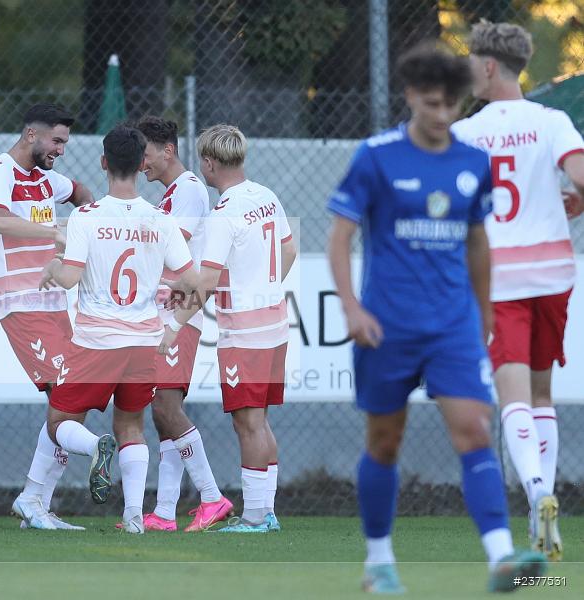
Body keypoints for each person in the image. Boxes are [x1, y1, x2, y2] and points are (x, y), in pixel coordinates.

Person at [326, 43, 546, 593]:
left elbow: (477, 242)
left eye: (450, 104)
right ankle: (378, 563)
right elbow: (340, 237)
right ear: (410, 98)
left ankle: (501, 558)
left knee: (474, 428)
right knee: (384, 442)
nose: (442, 114)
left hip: (452, 326)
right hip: (387, 328)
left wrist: (485, 309)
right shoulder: (375, 156)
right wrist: (352, 309)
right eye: (431, 104)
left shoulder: (474, 162)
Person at [451, 21, 584, 562]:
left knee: (513, 399)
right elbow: (579, 175)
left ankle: (536, 490)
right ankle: (540, 510)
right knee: (542, 391)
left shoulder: (465, 133)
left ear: (487, 66)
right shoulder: (552, 121)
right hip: (553, 271)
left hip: (498, 276)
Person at [38, 125, 199, 534]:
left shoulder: (86, 216)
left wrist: (52, 268)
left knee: (59, 422)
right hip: (143, 342)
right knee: (131, 426)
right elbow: (192, 280)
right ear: (142, 163)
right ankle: (133, 519)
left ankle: (94, 447)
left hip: (96, 341)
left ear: (104, 163)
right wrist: (173, 318)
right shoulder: (160, 220)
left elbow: (71, 276)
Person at [160, 124, 297, 533]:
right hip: (275, 325)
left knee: (248, 422)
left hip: (245, 334)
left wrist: (173, 327)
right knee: (261, 420)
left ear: (209, 162)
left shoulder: (224, 213)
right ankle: (265, 512)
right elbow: (288, 250)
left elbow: (206, 281)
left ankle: (255, 516)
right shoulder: (266, 195)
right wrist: (263, 287)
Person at [0, 103, 94, 531]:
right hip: (19, 302)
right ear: (32, 134)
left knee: (71, 401)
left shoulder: (46, 178)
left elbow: (81, 193)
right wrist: (56, 233)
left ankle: (35, 503)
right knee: (69, 394)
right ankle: (38, 496)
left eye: (65, 141)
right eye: (57, 141)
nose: (61, 149)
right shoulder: (0, 171)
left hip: (52, 304)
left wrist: (86, 218)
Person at [133, 115, 232, 532]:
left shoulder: (189, 191)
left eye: (146, 154)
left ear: (167, 150)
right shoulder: (172, 195)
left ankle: (212, 497)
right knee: (163, 412)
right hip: (164, 313)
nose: (142, 164)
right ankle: (164, 512)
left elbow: (171, 252)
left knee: (165, 406)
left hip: (178, 313)